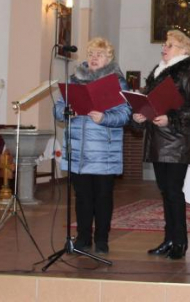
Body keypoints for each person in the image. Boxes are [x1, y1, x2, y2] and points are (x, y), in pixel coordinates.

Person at [132, 30, 190, 260]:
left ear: (184, 50)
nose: (164, 48)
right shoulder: (158, 71)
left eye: (170, 45)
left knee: (174, 192)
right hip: (157, 139)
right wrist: (141, 114)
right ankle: (168, 239)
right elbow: (152, 102)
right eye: (164, 44)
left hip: (177, 139)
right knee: (165, 192)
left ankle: (180, 242)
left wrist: (171, 118)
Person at [55, 37, 131, 254]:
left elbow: (126, 114)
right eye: (91, 54)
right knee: (82, 196)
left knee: (103, 196)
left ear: (109, 58)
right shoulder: (74, 80)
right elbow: (59, 107)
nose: (94, 58)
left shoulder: (117, 82)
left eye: (99, 54)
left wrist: (104, 118)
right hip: (78, 150)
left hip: (104, 151)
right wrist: (65, 112)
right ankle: (83, 238)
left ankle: (101, 239)